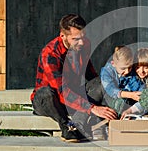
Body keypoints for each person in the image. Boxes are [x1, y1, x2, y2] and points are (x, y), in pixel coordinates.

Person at [30, 14, 117, 143]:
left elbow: (91, 75)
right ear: (62, 36)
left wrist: (108, 95)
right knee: (45, 93)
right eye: (75, 39)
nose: (81, 42)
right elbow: (62, 91)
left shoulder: (84, 44)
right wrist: (93, 108)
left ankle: (81, 123)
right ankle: (67, 126)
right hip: (52, 100)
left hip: (74, 96)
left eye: (83, 37)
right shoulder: (49, 54)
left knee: (102, 81)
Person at [100, 46, 142, 117]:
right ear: (113, 64)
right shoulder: (107, 71)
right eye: (123, 68)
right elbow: (110, 89)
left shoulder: (132, 73)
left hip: (122, 102)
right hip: (104, 99)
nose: (127, 71)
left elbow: (136, 86)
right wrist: (130, 95)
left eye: (130, 67)